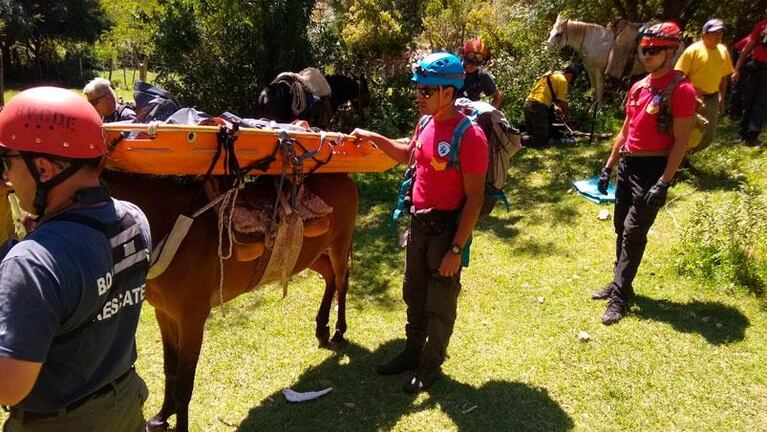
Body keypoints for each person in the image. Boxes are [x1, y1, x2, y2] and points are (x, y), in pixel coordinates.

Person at [0, 87, 151, 431]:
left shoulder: (32, 264)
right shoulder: (133, 219)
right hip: (123, 404)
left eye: (8, 163)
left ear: (43, 168)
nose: (8, 180)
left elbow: (9, 386)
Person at [351, 52, 488, 393]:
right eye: (419, 89)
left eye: (426, 90)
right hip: (418, 224)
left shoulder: (469, 136)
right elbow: (409, 153)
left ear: (448, 92)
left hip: (446, 231)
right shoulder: (426, 124)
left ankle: (430, 365)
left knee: (440, 302)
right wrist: (374, 138)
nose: (419, 95)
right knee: (414, 294)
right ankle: (412, 352)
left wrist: (456, 248)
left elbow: (475, 198)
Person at [594, 22, 696, 325]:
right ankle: (619, 282)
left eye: (653, 50)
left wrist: (664, 181)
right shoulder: (638, 87)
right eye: (644, 49)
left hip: (653, 168)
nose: (647, 54)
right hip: (628, 165)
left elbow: (681, 141)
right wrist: (608, 167)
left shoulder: (682, 89)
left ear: (671, 50)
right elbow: (624, 131)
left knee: (634, 232)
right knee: (619, 227)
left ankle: (620, 297)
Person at [674, 18, 734, 151]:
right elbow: (678, 74)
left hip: (712, 97)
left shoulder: (723, 50)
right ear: (704, 34)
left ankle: (687, 154)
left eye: (720, 33)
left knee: (707, 135)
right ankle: (678, 157)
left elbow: (724, 76)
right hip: (692, 97)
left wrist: (721, 97)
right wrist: (692, 90)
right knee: (685, 130)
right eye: (714, 33)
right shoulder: (693, 50)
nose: (718, 36)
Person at [732, 18, 767, 146]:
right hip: (756, 68)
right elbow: (748, 46)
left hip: (760, 69)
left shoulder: (762, 25)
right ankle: (745, 135)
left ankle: (750, 136)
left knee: (759, 103)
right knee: (750, 101)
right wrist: (737, 68)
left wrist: (738, 67)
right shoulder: (762, 25)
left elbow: (748, 46)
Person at [522, 66, 577, 147]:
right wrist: (567, 116)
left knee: (532, 134)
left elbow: (545, 93)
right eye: (571, 79)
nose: (569, 82)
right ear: (569, 74)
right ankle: (517, 140)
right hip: (538, 107)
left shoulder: (551, 75)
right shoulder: (562, 80)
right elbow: (563, 103)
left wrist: (554, 107)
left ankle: (517, 139)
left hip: (528, 104)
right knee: (542, 141)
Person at [459, 38, 503, 108]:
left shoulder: (482, 75)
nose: (472, 67)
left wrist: (488, 112)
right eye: (469, 63)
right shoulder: (454, 69)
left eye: (475, 65)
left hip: (470, 113)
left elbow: (498, 97)